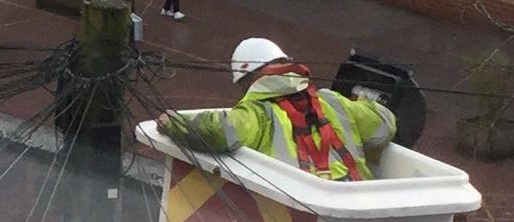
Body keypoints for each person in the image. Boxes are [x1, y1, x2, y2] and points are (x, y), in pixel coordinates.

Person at [157, 38, 396, 181]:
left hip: (298, 213)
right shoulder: (332, 101)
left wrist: (173, 123)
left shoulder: (259, 114)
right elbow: (385, 127)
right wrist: (362, 102)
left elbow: (218, 131)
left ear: (249, 79)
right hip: (356, 200)